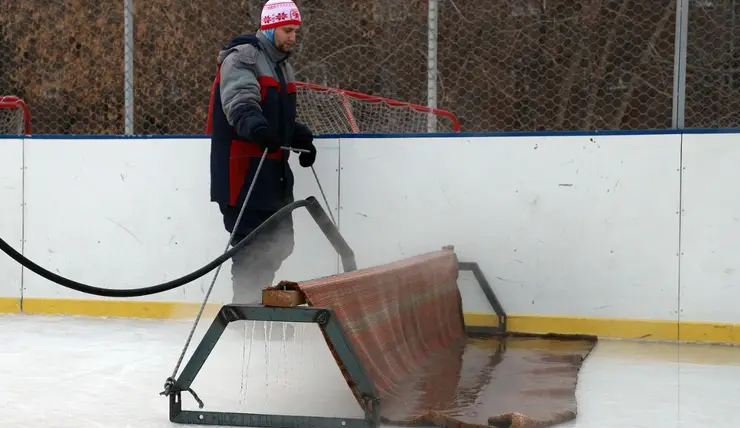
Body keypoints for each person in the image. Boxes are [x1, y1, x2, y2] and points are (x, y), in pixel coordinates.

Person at [207, 0, 316, 306]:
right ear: (269, 27)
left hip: (274, 176)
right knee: (250, 249)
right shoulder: (243, 58)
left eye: (295, 30)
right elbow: (240, 102)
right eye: (287, 30)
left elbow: (280, 119)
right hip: (243, 175)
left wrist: (299, 137)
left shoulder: (283, 66)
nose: (293, 37)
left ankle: (257, 304)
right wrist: (256, 129)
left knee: (280, 244)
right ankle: (245, 312)